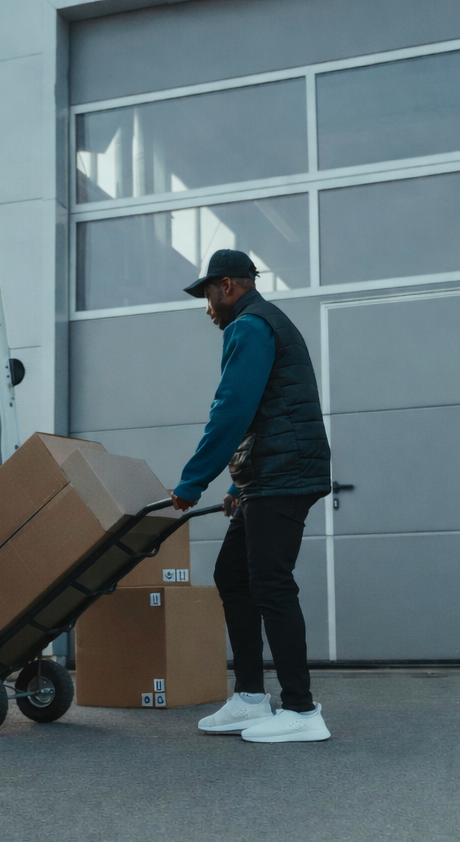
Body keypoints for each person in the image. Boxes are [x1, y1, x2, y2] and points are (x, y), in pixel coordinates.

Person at [169, 250, 332, 743]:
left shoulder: (251, 325)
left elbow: (233, 408)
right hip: (270, 475)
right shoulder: (263, 323)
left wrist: (192, 481)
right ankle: (250, 698)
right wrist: (236, 485)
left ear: (228, 285)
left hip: (284, 474)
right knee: (233, 575)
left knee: (270, 584)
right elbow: (265, 413)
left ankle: (302, 711)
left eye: (207, 294)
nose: (206, 307)